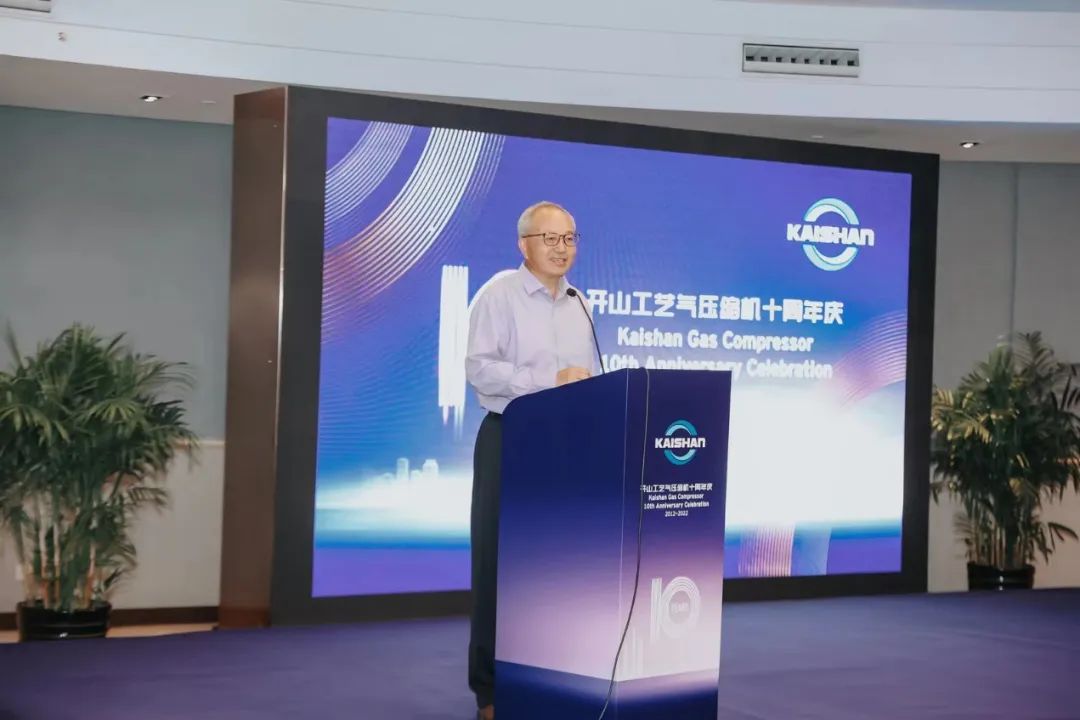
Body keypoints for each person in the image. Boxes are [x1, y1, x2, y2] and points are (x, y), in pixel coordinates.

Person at [464, 201, 599, 720]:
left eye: (570, 238)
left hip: (565, 445)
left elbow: (587, 376)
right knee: (498, 566)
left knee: (557, 566)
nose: (562, 249)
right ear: (524, 244)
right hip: (511, 437)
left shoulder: (580, 304)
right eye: (551, 238)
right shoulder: (498, 294)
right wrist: (547, 381)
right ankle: (491, 692)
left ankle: (550, 677)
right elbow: (480, 369)